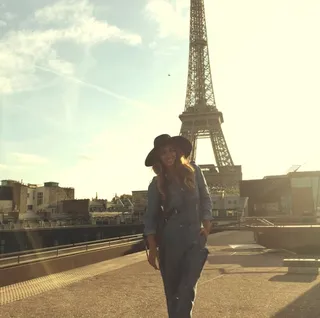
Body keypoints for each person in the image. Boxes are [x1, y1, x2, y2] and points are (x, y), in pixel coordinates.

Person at [143, 134, 213, 318]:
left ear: (178, 151)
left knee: (187, 290)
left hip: (193, 239)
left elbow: (206, 198)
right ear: (158, 157)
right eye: (164, 152)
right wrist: (152, 249)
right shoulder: (156, 184)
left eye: (172, 150)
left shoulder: (194, 171)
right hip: (170, 242)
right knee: (173, 293)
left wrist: (206, 226)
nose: (169, 155)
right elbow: (150, 217)